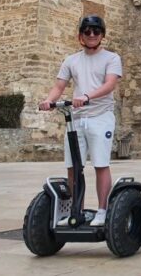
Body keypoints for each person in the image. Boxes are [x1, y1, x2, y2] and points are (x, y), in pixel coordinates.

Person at [39, 15, 122, 226]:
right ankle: (77, 210)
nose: (92, 35)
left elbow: (110, 84)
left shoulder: (111, 58)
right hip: (76, 119)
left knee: (100, 164)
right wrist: (49, 101)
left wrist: (87, 97)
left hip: (100, 117)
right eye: (87, 32)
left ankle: (102, 210)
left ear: (102, 34)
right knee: (73, 166)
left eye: (96, 31)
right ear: (80, 36)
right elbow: (59, 86)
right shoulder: (71, 60)